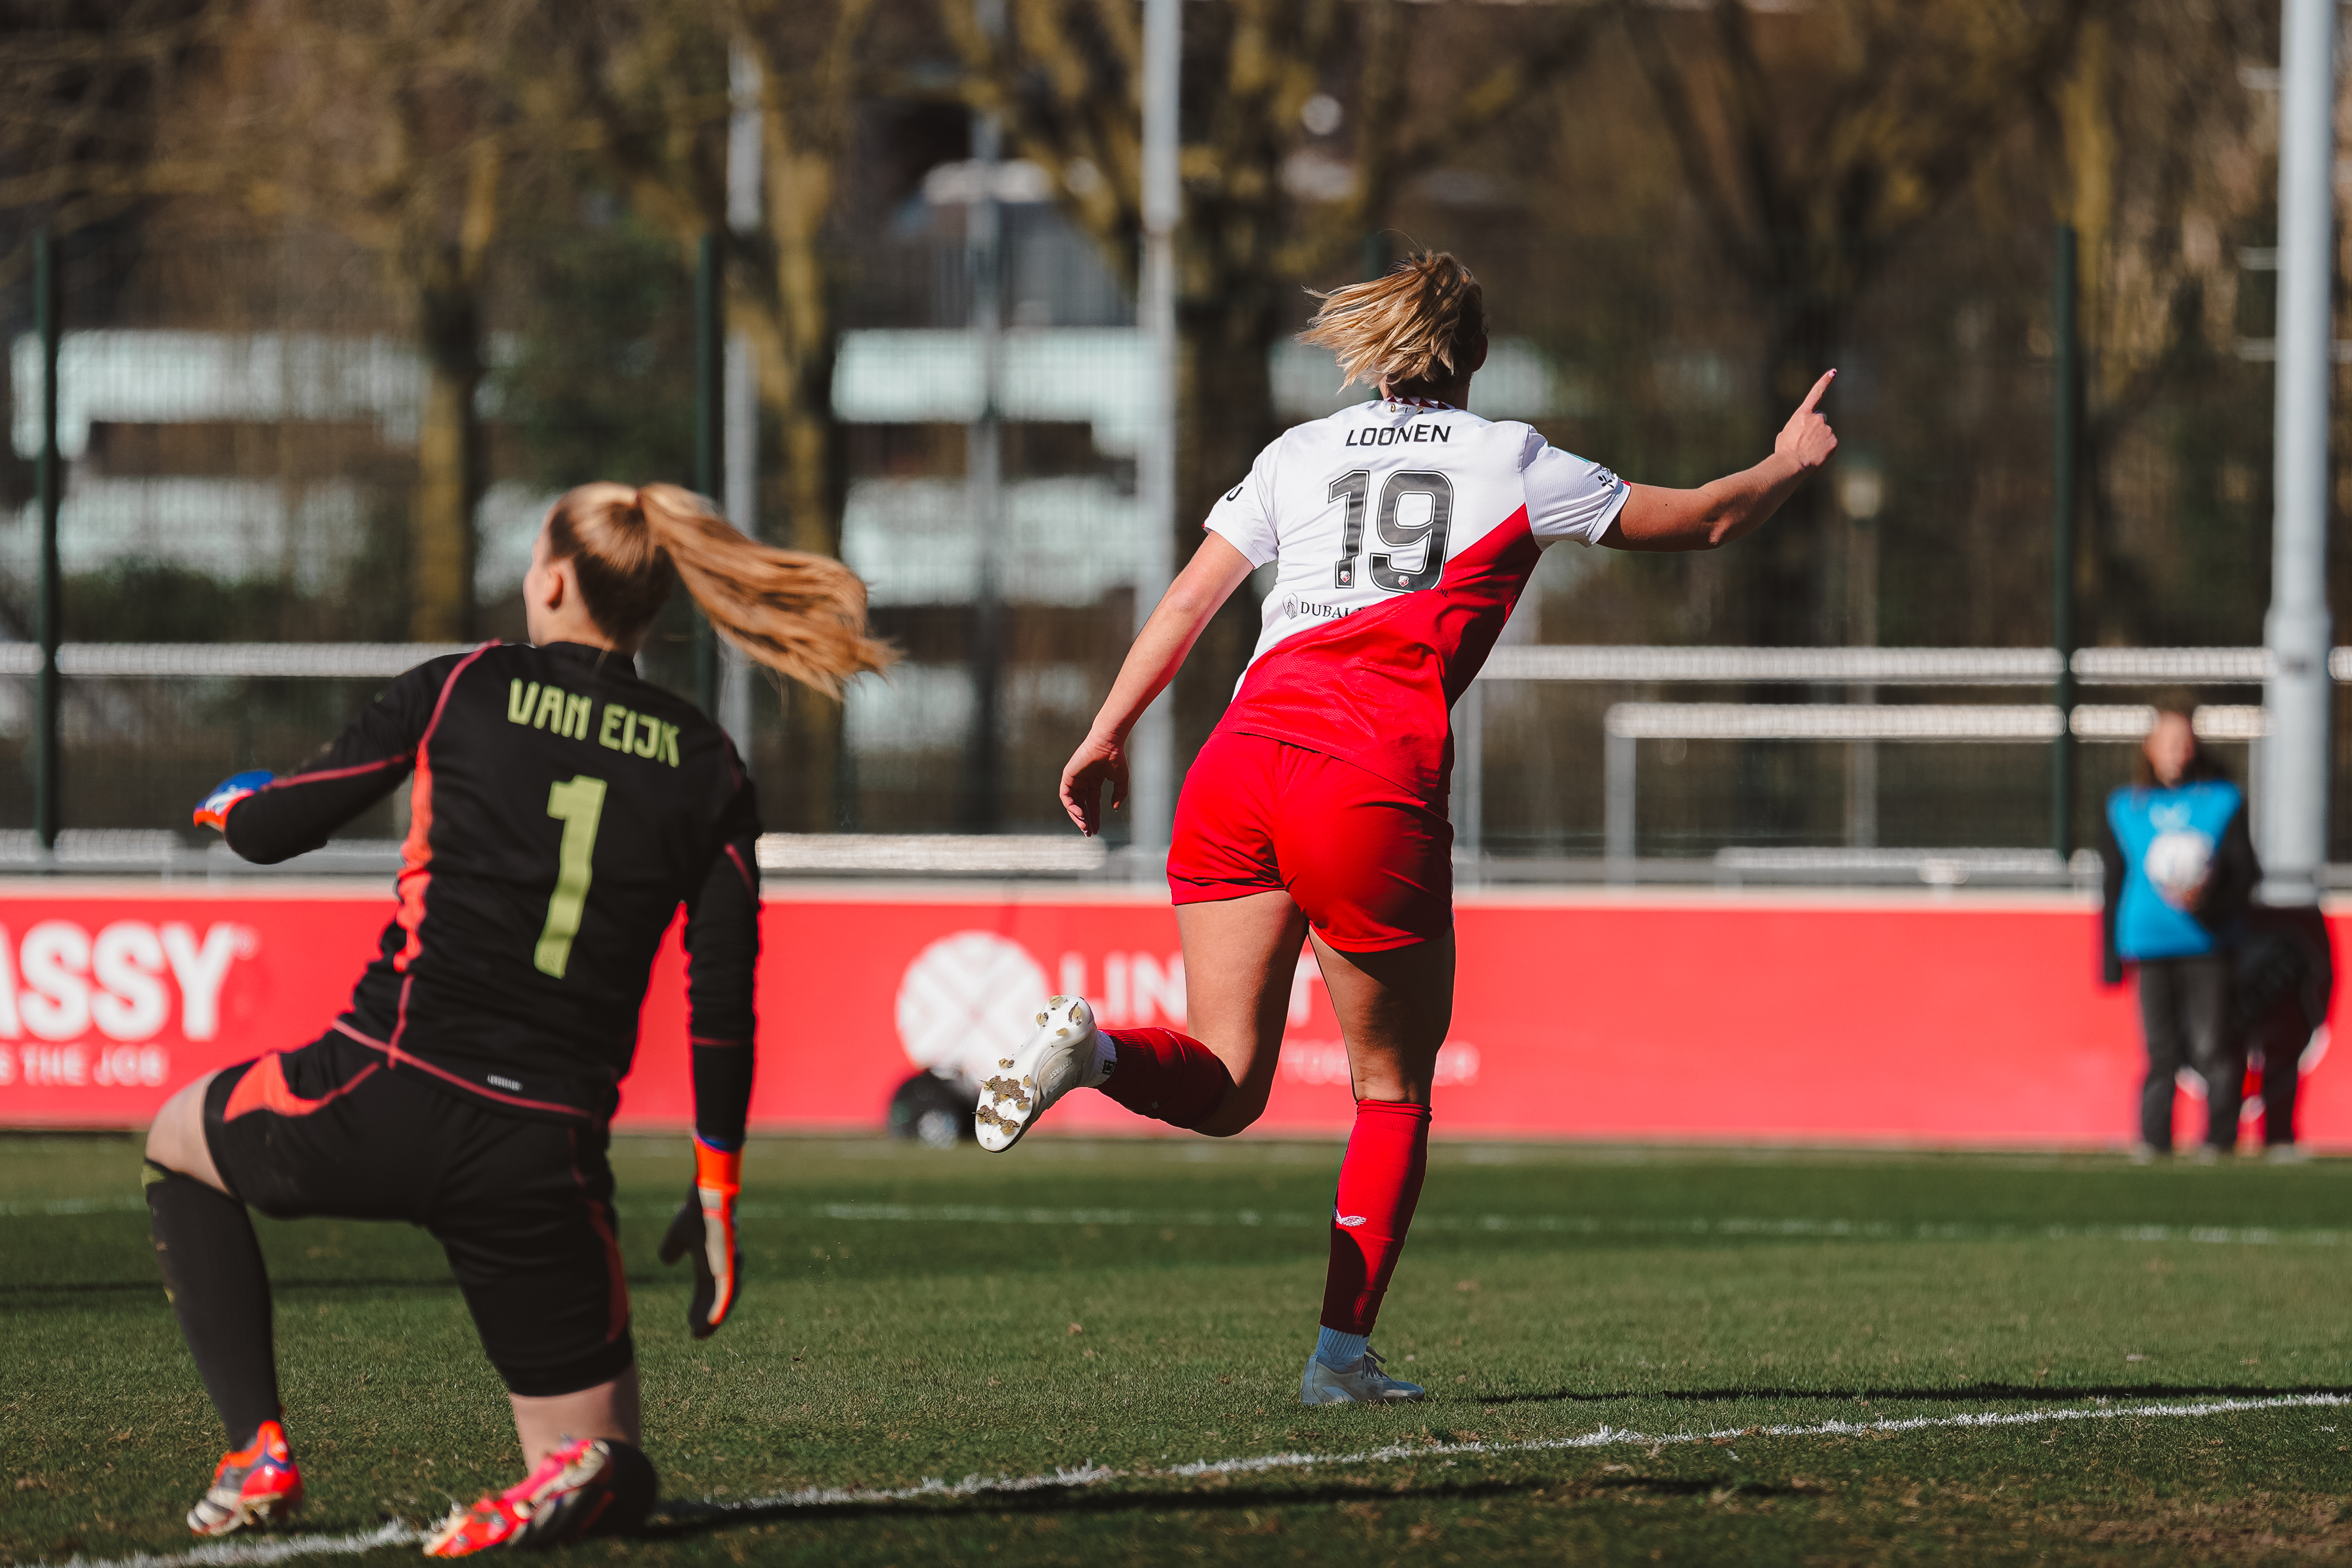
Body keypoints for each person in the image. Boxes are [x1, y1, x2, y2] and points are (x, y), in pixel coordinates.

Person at [972, 252, 1837, 1405]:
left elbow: (1186, 604)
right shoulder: (1513, 458)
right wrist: (1783, 463)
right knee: (1389, 1089)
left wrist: (1104, 732)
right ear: (1472, 355)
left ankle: (1098, 1051)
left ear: (1377, 355)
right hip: (1361, 776)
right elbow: (1707, 524)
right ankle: (1339, 1360)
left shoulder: (1295, 455)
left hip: (1236, 765)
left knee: (1228, 1083)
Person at [142, 483, 889, 1552]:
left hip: (377, 1091)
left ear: (549, 578)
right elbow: (721, 990)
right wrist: (717, 1185)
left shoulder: (461, 687)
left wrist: (232, 805)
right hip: (540, 1152)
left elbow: (273, 830)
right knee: (605, 1464)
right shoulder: (705, 761)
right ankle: (572, 1478)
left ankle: (256, 1446)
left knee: (176, 1143)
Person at [2099, 699, 2259, 1161]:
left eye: (2185, 742)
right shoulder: (2125, 806)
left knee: (2212, 1045)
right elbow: (2111, 881)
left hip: (2207, 944)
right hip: (2148, 944)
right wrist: (2109, 956)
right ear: (2149, 749)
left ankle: (2219, 1140)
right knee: (2159, 1049)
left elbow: (2245, 873)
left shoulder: (2221, 800)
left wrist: (2206, 901)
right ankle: (2153, 1140)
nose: (2177, 752)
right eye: (2168, 743)